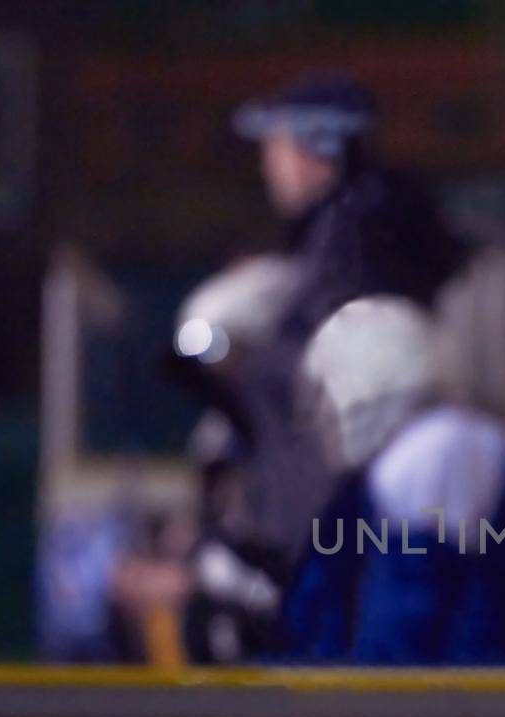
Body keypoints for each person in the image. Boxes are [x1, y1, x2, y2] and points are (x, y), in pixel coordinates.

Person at [170, 73, 467, 662]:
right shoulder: (340, 237)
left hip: (334, 544)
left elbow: (333, 395)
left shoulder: (357, 241)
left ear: (320, 148)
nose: (269, 166)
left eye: (277, 147)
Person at [278, 294, 505, 664]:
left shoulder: (439, 445)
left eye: (325, 395)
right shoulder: (425, 449)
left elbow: (415, 617)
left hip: (462, 710)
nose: (322, 413)